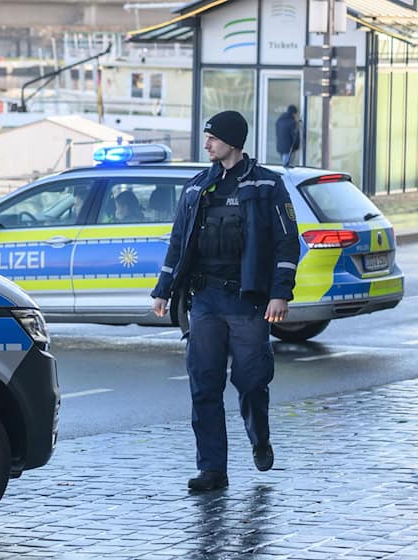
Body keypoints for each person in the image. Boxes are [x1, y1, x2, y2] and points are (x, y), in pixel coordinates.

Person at [150, 110, 300, 492]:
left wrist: (281, 292)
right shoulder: (198, 186)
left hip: (247, 302)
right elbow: (179, 242)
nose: (206, 144)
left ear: (232, 141)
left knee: (251, 381)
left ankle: (259, 436)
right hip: (205, 301)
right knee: (204, 385)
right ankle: (212, 470)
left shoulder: (268, 185)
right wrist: (163, 289)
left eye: (212, 138)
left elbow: (287, 242)